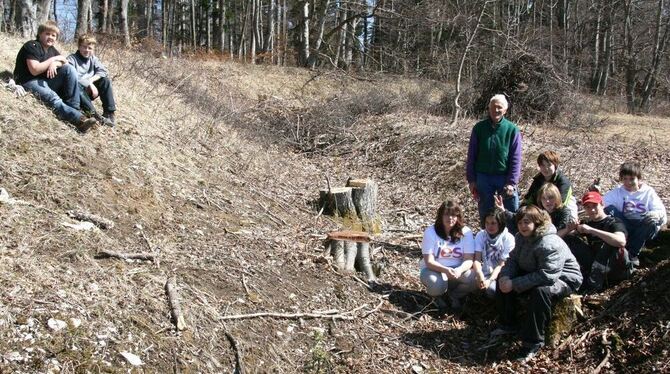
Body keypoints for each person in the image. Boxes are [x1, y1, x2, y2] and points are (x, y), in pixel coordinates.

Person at [492, 205, 582, 362]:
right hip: (535, 271)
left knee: (540, 291)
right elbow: (513, 260)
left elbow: (548, 275)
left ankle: (533, 342)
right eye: (520, 222)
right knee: (502, 278)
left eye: (527, 222)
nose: (522, 226)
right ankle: (507, 324)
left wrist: (515, 283)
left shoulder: (549, 242)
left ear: (537, 222)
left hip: (563, 278)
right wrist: (506, 277)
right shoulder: (520, 237)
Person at [13, 21, 97, 132]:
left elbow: (64, 61)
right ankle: (78, 120)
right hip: (28, 80)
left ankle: (75, 108)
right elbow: (34, 70)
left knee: (69, 69)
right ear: (40, 34)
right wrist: (53, 60)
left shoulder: (52, 50)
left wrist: (55, 63)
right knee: (52, 97)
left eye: (54, 35)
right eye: (47, 34)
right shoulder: (32, 45)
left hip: (44, 80)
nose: (51, 37)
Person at [466, 94, 522, 224]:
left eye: (499, 107)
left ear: (505, 110)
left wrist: (512, 182)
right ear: (488, 108)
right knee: (486, 211)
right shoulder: (479, 128)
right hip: (483, 177)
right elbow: (471, 155)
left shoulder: (512, 130)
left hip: (504, 177)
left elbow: (516, 158)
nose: (496, 110)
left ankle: (512, 239)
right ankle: (487, 238)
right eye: (493, 107)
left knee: (510, 209)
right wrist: (472, 180)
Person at [564, 191, 631, 294]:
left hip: (616, 267)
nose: (592, 210)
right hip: (595, 264)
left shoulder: (614, 222)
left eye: (595, 206)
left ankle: (593, 283)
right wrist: (569, 229)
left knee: (608, 244)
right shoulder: (587, 224)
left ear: (602, 204)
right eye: (588, 207)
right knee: (569, 239)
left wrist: (592, 230)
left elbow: (621, 241)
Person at [602, 161, 667, 266]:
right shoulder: (618, 192)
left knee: (650, 221)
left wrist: (655, 214)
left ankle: (632, 253)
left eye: (632, 179)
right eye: (625, 179)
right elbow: (603, 203)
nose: (628, 182)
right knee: (610, 210)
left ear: (638, 178)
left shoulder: (648, 192)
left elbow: (661, 211)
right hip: (626, 224)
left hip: (644, 226)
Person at [419, 200, 477, 312]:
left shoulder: (466, 232)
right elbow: (429, 261)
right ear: (440, 216)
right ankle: (437, 297)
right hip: (433, 270)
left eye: (454, 215)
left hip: (456, 271)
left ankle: (454, 295)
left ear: (458, 217)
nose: (450, 218)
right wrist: (445, 270)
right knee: (436, 283)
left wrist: (459, 270)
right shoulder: (431, 232)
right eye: (446, 214)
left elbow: (469, 259)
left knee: (474, 278)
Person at [67, 33, 117, 126]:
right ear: (79, 47)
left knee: (105, 81)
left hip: (89, 90)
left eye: (90, 48)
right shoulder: (71, 59)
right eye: (84, 47)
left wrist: (91, 81)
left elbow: (103, 71)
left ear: (93, 49)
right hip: (76, 93)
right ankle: (94, 115)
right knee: (77, 85)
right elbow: (71, 78)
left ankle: (109, 113)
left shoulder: (93, 59)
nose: (87, 50)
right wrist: (88, 84)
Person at [473, 207, 515, 298]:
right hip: (486, 269)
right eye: (487, 223)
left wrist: (490, 280)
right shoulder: (481, 235)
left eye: (493, 223)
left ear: (500, 224)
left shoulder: (508, 238)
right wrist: (479, 273)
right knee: (473, 282)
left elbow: (501, 264)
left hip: (503, 272)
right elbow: (477, 259)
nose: (489, 226)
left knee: (492, 290)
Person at [523, 151, 577, 220]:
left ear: (555, 165)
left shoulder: (563, 182)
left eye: (549, 165)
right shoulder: (537, 180)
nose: (546, 168)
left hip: (561, 211)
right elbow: (528, 199)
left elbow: (562, 204)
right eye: (542, 165)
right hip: (542, 210)